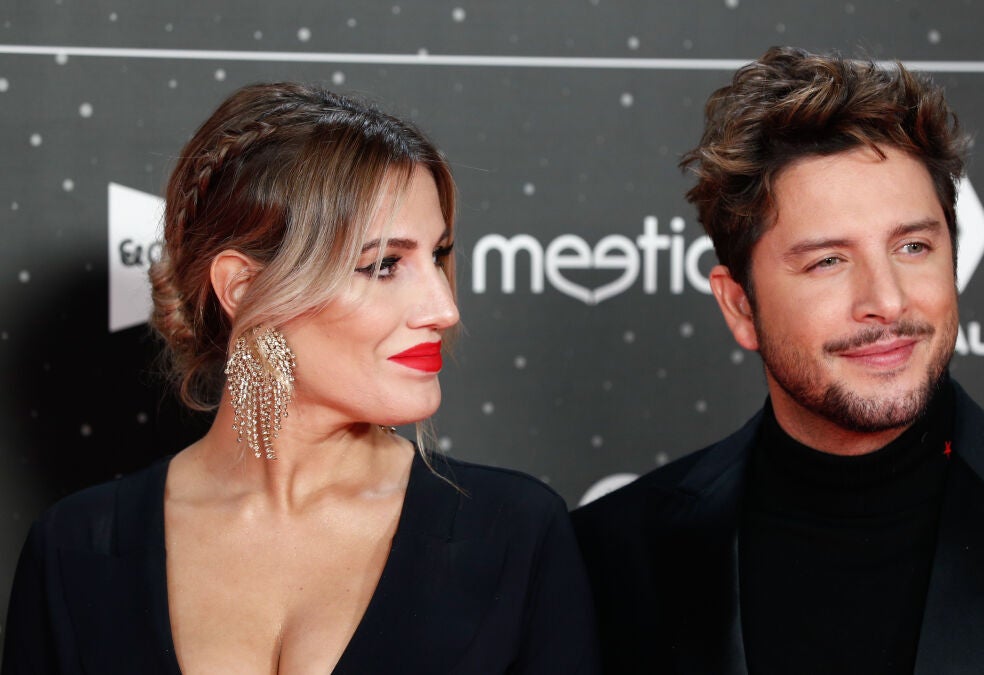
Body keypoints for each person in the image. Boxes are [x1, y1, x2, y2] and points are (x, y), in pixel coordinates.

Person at [572, 47, 984, 674]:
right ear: (739, 306)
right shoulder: (610, 559)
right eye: (828, 261)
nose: (887, 301)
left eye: (913, 246)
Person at [4, 83, 599, 674]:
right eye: (384, 265)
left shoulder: (512, 533)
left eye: (439, 256)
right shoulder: (75, 549)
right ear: (243, 289)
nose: (444, 309)